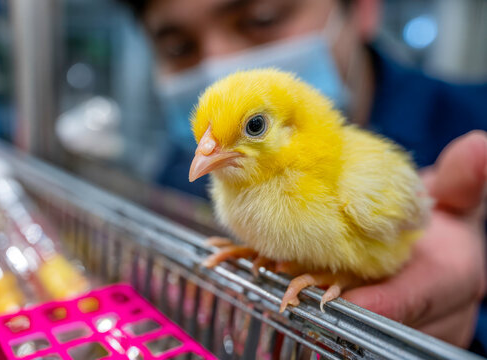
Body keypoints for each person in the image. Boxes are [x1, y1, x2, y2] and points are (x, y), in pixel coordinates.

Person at [119, 0, 487, 351]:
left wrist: (469, 330)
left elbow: (415, 228)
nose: (219, 61)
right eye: (179, 46)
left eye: (262, 18)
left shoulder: (363, 174)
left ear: (362, 7)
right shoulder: (178, 170)